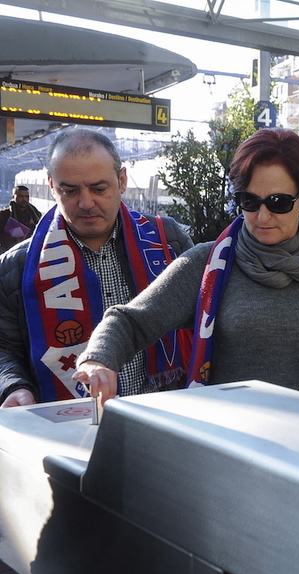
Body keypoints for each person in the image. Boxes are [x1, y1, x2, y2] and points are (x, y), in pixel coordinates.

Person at [72, 129, 299, 404]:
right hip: (232, 436)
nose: (262, 216)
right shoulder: (207, 264)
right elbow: (131, 321)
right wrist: (98, 360)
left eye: (279, 202)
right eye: (249, 201)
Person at [0, 129, 193, 407]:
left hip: (164, 413)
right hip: (67, 421)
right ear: (52, 185)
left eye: (99, 189)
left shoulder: (168, 241)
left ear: (122, 180)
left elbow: (204, 320)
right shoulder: (16, 267)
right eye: (70, 191)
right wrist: (14, 387)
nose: (86, 202)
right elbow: (4, 348)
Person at [1, 185, 43, 253]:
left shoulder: (36, 214)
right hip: (10, 252)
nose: (24, 199)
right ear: (13, 197)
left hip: (31, 250)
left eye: (27, 196)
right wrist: (15, 240)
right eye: (20, 196)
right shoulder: (4, 215)